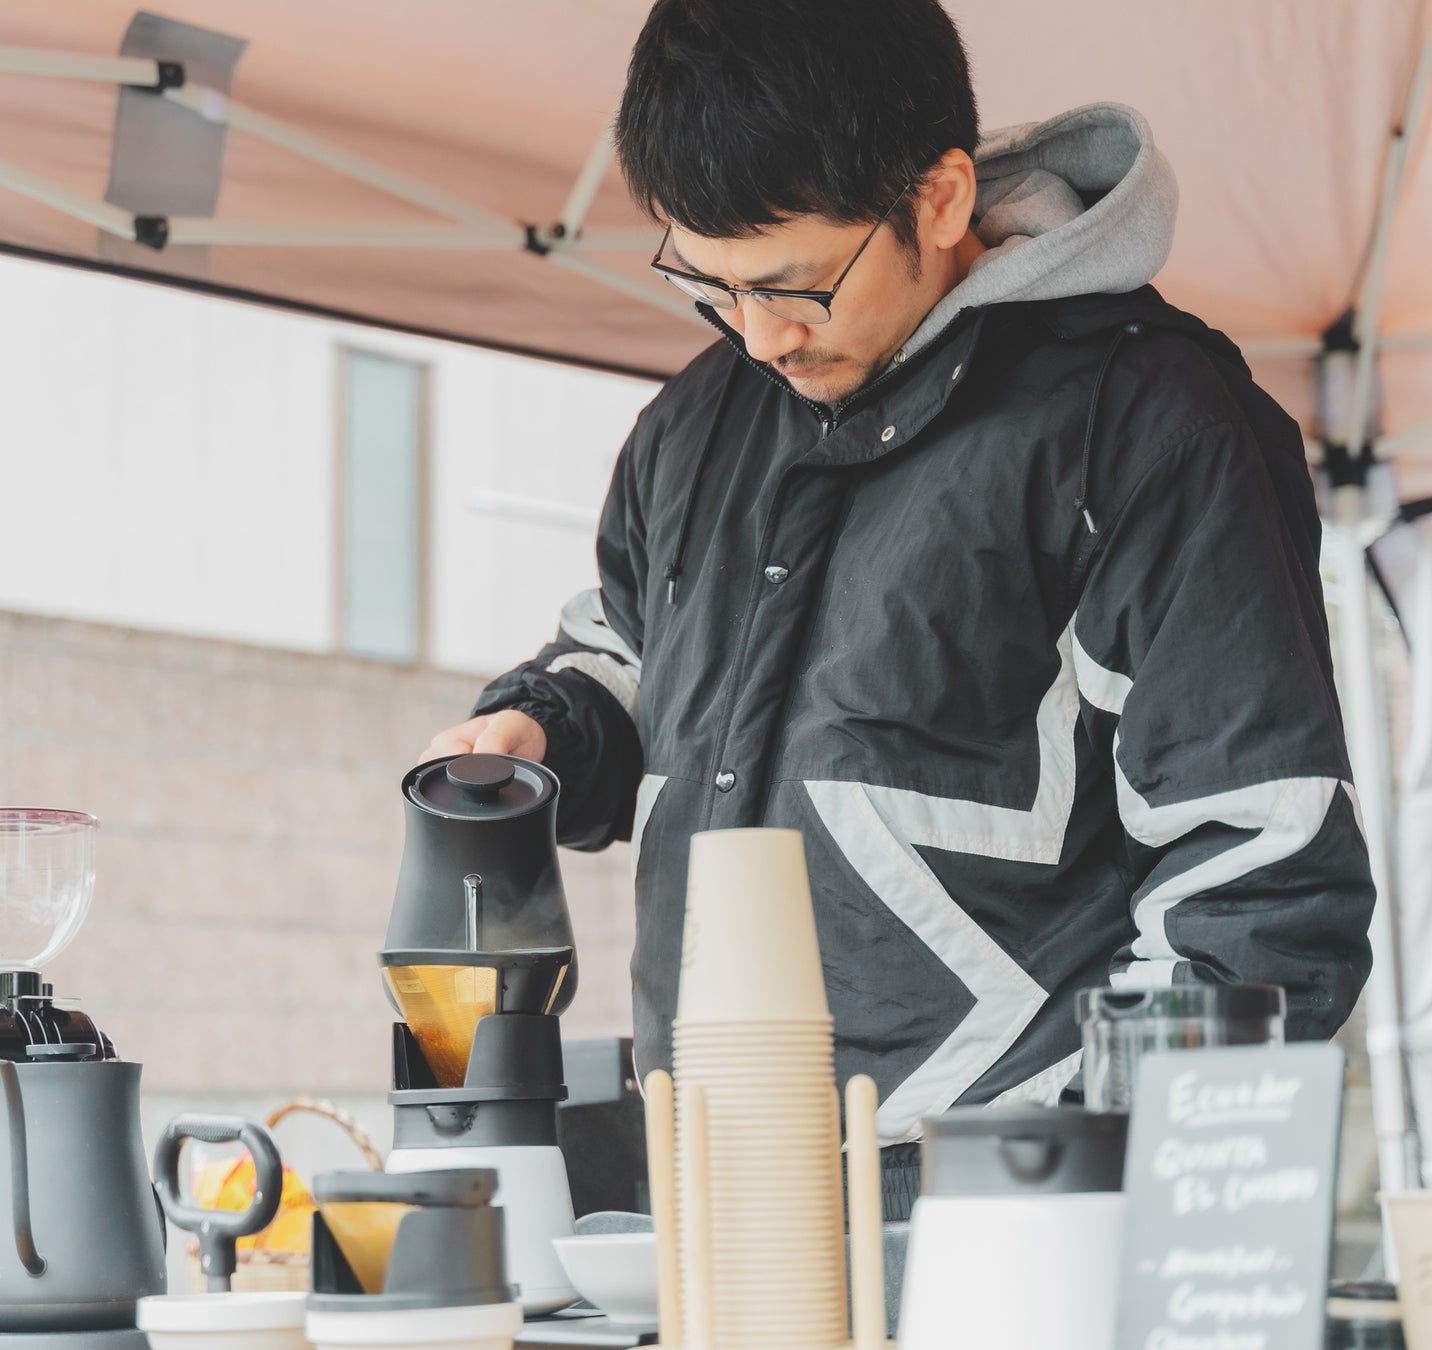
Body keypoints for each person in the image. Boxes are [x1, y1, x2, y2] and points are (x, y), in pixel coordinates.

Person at [421, 0, 1374, 1214]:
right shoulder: (695, 424)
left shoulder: (1150, 429)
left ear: (938, 197)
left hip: (1011, 1202)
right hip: (715, 1186)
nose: (760, 338)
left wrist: (1099, 1208)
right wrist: (543, 722)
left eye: (795, 286)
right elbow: (626, 652)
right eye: (709, 285)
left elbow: (1265, 880)